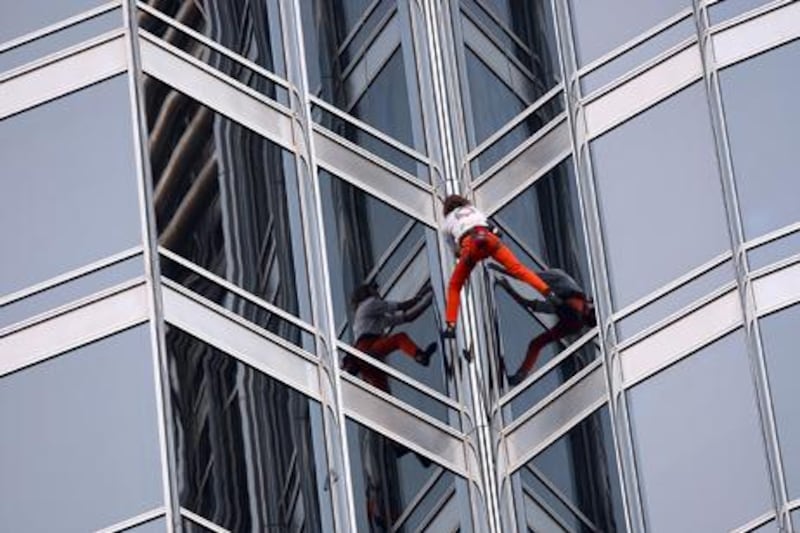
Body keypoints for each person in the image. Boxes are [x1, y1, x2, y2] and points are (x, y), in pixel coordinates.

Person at [440, 194, 580, 338]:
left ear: (447, 209)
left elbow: (454, 249)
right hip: (489, 240)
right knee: (519, 270)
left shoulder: (447, 222)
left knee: (455, 286)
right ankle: (550, 294)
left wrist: (460, 254)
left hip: (471, 246)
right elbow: (495, 230)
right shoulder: (473, 209)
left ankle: (451, 325)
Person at [496, 268, 596, 386]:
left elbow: (541, 307)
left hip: (562, 297)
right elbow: (546, 303)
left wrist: (510, 288)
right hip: (561, 288)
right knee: (528, 278)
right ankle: (520, 376)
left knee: (536, 343)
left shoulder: (575, 319)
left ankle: (520, 376)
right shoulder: (575, 309)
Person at [341, 280, 436, 392]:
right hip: (368, 349)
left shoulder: (371, 317)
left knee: (383, 394)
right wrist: (425, 295)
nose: (377, 292)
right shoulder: (370, 304)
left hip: (364, 358)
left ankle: (419, 356)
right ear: (366, 293)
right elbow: (404, 307)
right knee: (399, 338)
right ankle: (418, 355)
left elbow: (408, 317)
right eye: (373, 289)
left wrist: (427, 301)